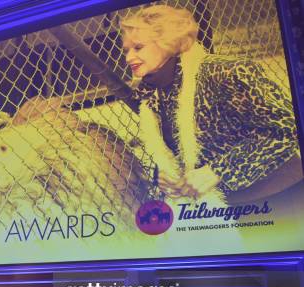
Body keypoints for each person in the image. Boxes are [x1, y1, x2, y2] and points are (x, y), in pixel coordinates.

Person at [120, 5, 301, 202]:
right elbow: (186, 153)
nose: (129, 58)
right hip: (228, 203)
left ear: (166, 42)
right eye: (126, 50)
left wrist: (217, 171)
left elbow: (287, 128)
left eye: (138, 47)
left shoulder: (226, 73)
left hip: (281, 191)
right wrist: (164, 176)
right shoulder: (153, 94)